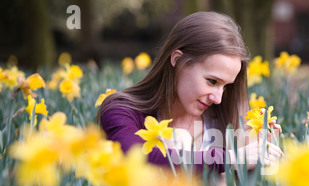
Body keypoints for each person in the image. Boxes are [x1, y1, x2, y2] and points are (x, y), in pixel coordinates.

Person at [96, 11, 283, 175]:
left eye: (226, 87)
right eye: (212, 81)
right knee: (178, 138)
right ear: (178, 60)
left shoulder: (227, 121)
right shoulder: (120, 110)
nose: (218, 99)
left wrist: (256, 158)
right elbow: (132, 156)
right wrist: (231, 158)